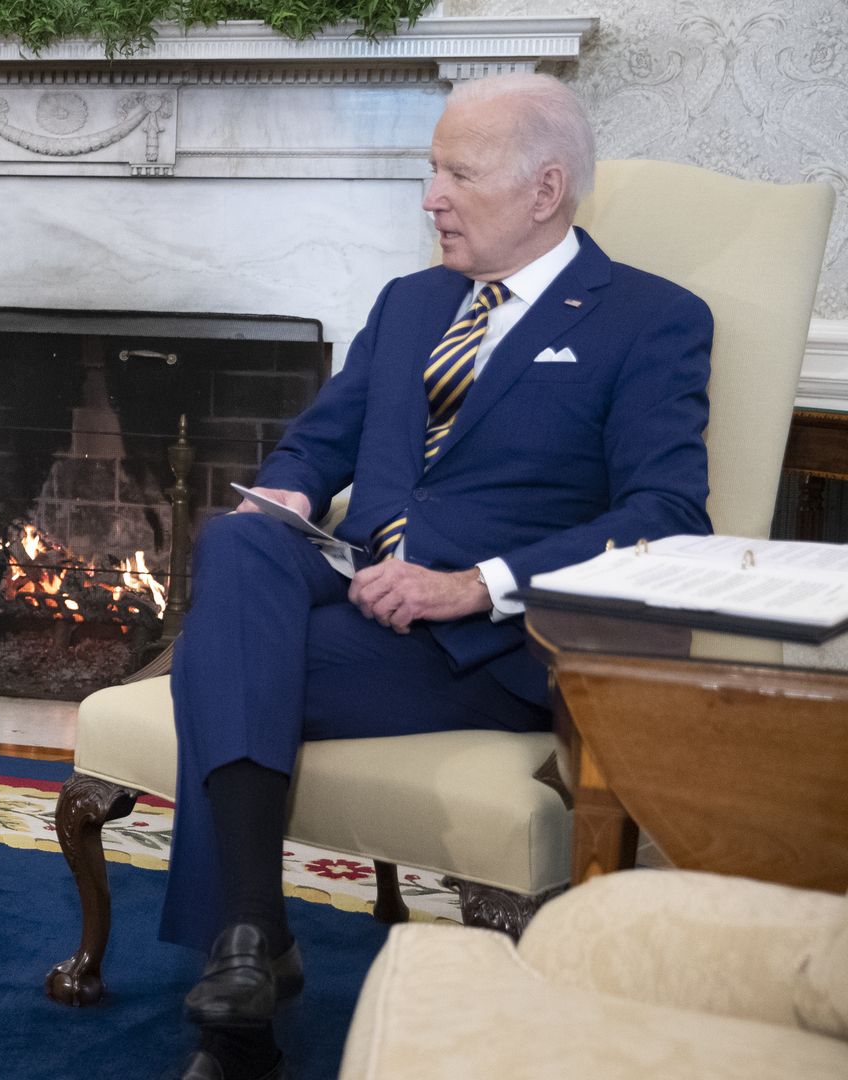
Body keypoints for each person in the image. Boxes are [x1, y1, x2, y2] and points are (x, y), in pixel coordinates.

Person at [168, 73, 713, 1080]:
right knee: (237, 541)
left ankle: (243, 979)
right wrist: (286, 492)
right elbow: (317, 444)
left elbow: (669, 515)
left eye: (457, 173)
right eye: (431, 170)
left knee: (221, 665)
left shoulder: (651, 319)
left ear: (545, 189)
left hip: (496, 642)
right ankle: (251, 937)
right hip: (364, 594)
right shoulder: (412, 302)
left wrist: (473, 585)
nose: (431, 196)